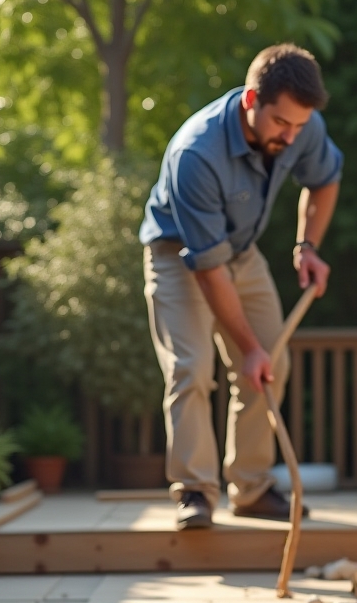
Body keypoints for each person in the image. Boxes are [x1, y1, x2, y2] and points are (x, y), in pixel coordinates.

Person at [140, 44, 343, 530]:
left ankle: (250, 489)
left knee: (273, 362)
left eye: (299, 126)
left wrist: (307, 247)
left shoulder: (301, 125)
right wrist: (247, 348)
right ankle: (194, 491)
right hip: (179, 254)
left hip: (241, 252)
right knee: (192, 368)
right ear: (252, 100)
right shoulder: (197, 153)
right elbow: (209, 271)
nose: (292, 136)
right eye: (281, 124)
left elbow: (325, 181)